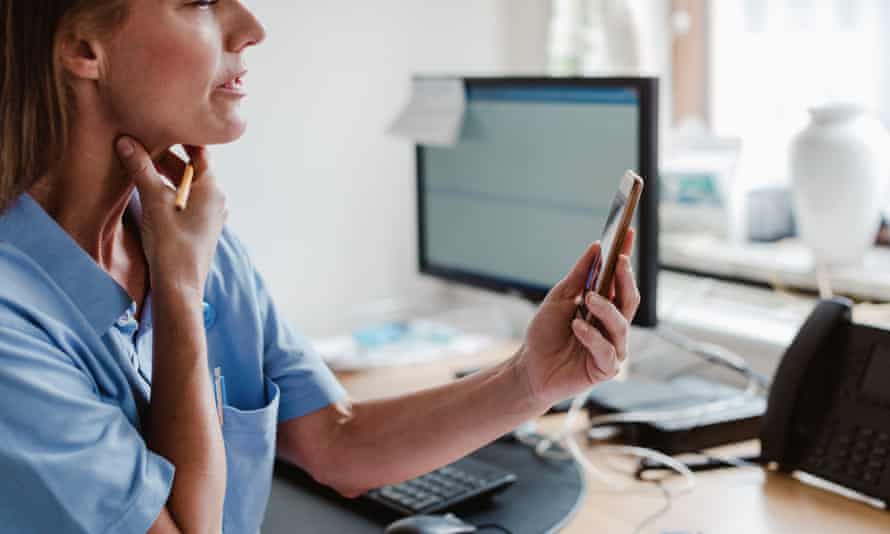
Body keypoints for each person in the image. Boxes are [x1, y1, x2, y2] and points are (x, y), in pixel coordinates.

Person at [0, 1, 640, 533]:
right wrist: (178, 290)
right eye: (201, 0)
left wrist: (533, 379)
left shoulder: (186, 236)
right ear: (84, 47)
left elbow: (337, 442)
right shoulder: (17, 323)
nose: (250, 27)